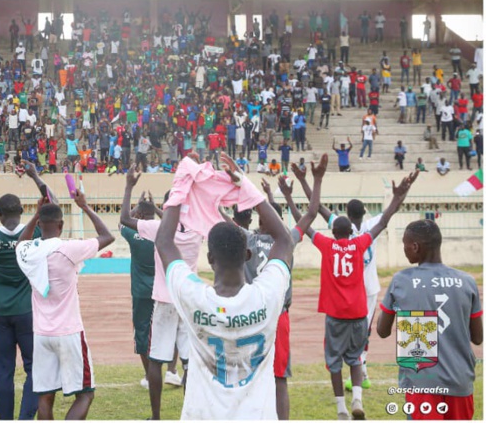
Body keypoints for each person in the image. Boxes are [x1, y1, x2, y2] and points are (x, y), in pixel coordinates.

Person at [151, 152, 322, 420]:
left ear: (210, 259)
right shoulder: (268, 296)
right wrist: (246, 186)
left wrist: (182, 182)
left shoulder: (192, 296)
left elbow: (164, 243)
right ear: (247, 255)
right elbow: (285, 241)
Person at [290, 168, 419, 419]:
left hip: (336, 314)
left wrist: (293, 192)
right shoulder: (360, 242)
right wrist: (398, 196)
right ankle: (358, 399)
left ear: (334, 230)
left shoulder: (327, 245)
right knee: (357, 357)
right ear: (351, 231)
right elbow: (383, 221)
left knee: (334, 361)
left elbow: (305, 223)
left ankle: (341, 408)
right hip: (361, 308)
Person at [0, 162, 57, 420]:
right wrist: (35, 176)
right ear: (22, 211)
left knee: (3, 371)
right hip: (28, 312)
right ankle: (25, 418)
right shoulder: (35, 233)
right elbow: (54, 206)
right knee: (34, 368)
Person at [16, 190, 115, 420]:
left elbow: (21, 242)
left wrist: (35, 215)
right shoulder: (69, 248)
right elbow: (107, 236)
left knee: (45, 395)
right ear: (61, 225)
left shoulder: (29, 252)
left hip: (41, 334)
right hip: (69, 332)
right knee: (85, 394)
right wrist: (85, 206)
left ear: (40, 224)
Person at [119, 167, 205, 420]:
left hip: (165, 300)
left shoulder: (158, 229)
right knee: (190, 361)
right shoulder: (197, 229)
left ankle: (156, 416)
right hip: (189, 299)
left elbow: (125, 219)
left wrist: (128, 186)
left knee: (156, 359)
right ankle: (190, 413)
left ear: (167, 208)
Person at [377, 219, 483, 420]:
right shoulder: (467, 282)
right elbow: (478, 338)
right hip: (460, 381)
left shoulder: (402, 280)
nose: (404, 250)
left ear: (415, 247)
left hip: (421, 381)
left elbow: (382, 331)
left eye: (405, 245)